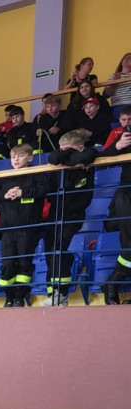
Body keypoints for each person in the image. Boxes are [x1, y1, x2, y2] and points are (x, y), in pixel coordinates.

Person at [0, 143, 48, 307]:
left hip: (28, 229)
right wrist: (5, 195)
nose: (16, 159)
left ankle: (19, 297)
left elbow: (45, 189)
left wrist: (23, 193)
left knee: (24, 263)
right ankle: (9, 297)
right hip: (8, 230)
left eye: (20, 156)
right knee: (7, 264)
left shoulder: (37, 173)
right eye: (13, 156)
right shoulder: (4, 176)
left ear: (30, 158)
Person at [45, 129, 97, 305]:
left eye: (67, 150)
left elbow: (90, 153)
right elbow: (52, 157)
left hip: (73, 212)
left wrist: (68, 157)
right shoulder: (60, 158)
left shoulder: (87, 157)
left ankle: (62, 292)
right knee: (50, 250)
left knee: (59, 247)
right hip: (55, 211)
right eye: (61, 149)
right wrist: (65, 154)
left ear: (80, 147)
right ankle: (52, 292)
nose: (62, 153)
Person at [98, 119, 131, 304]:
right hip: (127, 193)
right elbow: (102, 159)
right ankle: (112, 282)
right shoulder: (126, 140)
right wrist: (118, 145)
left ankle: (112, 282)